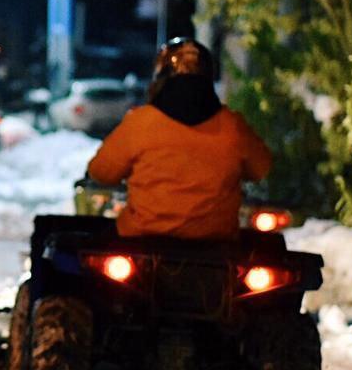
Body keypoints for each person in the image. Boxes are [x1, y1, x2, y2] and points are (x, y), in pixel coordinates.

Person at [86, 38, 271, 241]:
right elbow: (261, 168)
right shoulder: (232, 126)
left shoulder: (141, 122)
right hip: (215, 246)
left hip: (143, 241)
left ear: (160, 78)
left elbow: (101, 172)